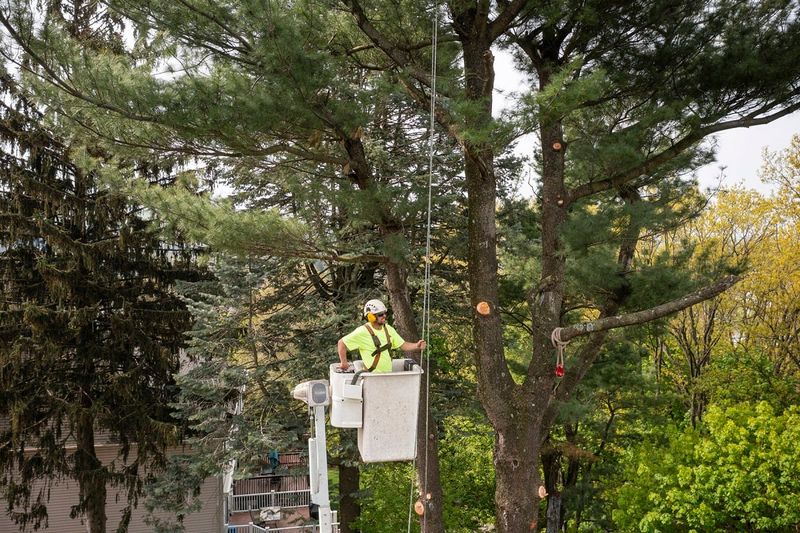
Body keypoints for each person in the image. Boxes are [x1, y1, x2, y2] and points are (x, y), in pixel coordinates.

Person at [337, 299, 426, 372]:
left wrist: (416, 346)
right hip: (371, 378)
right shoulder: (362, 331)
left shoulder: (388, 329)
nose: (384, 316)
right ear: (370, 316)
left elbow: (403, 345)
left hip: (387, 376)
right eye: (380, 314)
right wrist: (344, 363)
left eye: (384, 313)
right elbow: (341, 343)